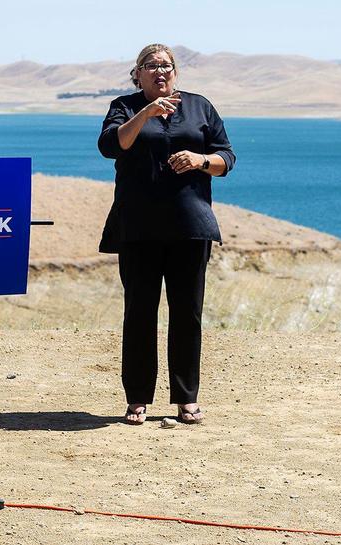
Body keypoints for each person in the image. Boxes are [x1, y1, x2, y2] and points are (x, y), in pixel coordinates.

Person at [97, 44, 236, 426]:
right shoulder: (124, 107)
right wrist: (145, 113)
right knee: (139, 314)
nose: (161, 72)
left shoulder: (199, 107)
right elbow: (111, 146)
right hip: (137, 228)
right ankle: (137, 398)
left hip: (190, 228)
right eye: (151, 66)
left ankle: (186, 399)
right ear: (137, 74)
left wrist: (200, 160)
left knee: (187, 314)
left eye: (167, 66)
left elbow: (227, 158)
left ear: (176, 72)